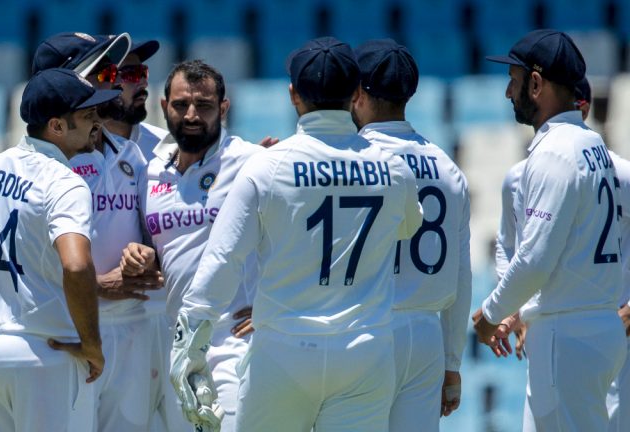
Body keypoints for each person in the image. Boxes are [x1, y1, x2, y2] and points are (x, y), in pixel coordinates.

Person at [169, 37, 423, 431]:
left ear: (293, 95)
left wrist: (190, 347)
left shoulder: (266, 167)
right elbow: (409, 225)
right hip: (365, 351)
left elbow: (224, 258)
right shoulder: (392, 167)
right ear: (355, 94)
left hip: (283, 353)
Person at [0, 68, 121, 431]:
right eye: (88, 115)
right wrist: (92, 344)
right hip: (46, 355)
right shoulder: (64, 182)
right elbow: (76, 266)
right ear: (57, 126)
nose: (98, 123)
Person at [473, 29, 627, 431]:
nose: (509, 93)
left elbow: (535, 258)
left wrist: (491, 315)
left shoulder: (555, 152)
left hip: (568, 331)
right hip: (593, 325)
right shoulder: (593, 147)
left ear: (537, 84)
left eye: (515, 81)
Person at [31, 32, 170, 431]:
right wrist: (93, 285)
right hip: (64, 331)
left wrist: (146, 257)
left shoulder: (130, 153)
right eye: (107, 71)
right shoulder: (37, 164)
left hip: (133, 325)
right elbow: (25, 256)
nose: (120, 81)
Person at [124, 59, 263, 431]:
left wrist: (275, 306)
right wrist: (136, 258)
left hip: (235, 342)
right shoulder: (149, 171)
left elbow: (306, 239)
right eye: (181, 104)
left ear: (224, 108)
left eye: (203, 106)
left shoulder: (254, 163)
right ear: (163, 104)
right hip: (178, 344)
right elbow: (153, 250)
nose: (191, 115)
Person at [351, 39, 471, 430]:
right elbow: (461, 275)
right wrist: (452, 362)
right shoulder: (448, 167)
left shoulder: (352, 162)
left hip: (365, 326)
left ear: (357, 93)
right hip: (425, 334)